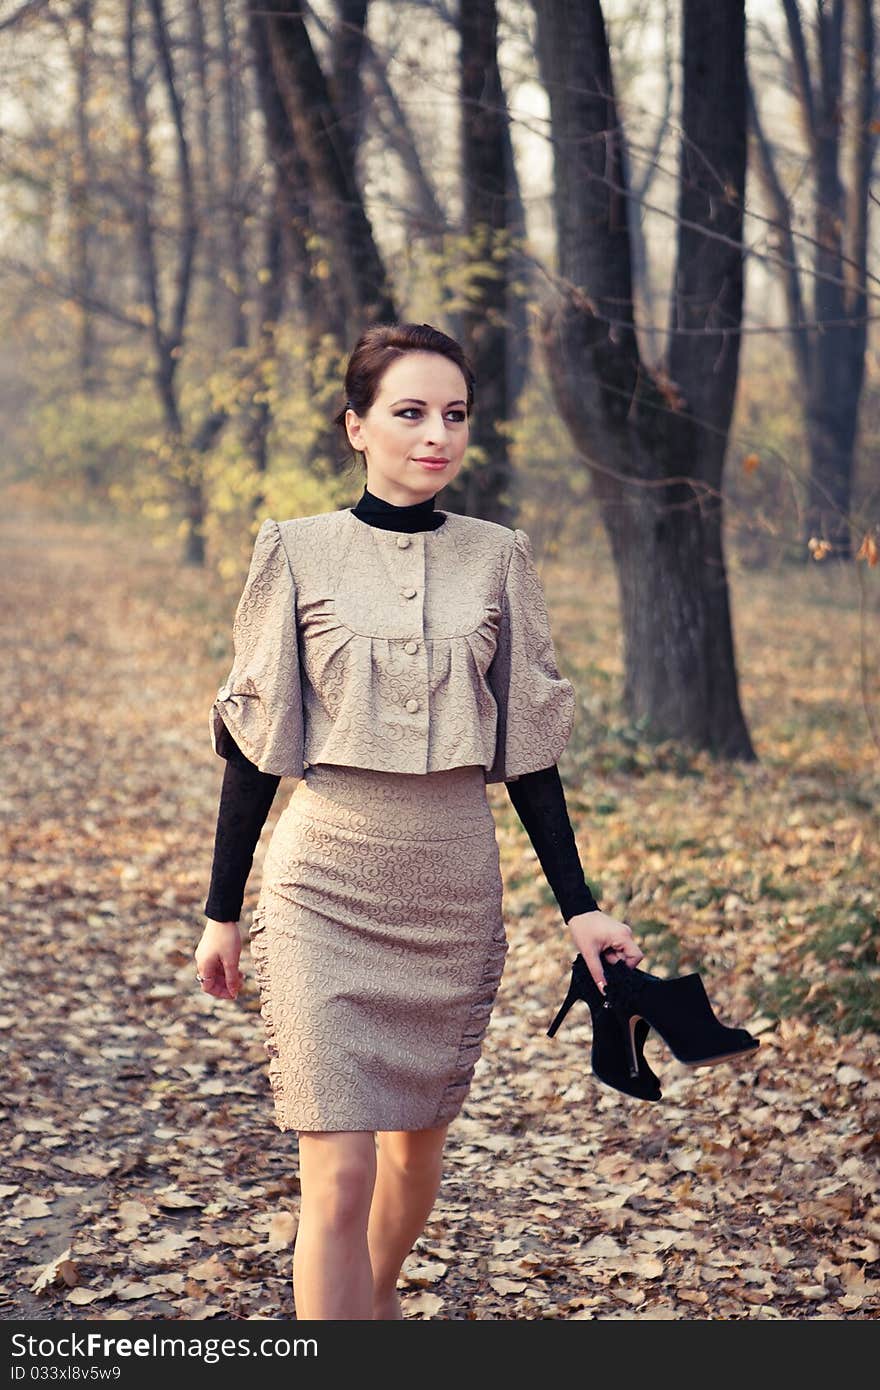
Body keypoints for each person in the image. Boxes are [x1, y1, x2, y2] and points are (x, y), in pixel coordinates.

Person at [194, 322, 645, 1321]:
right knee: (339, 1176)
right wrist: (221, 910)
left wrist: (580, 910)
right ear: (356, 425)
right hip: (322, 887)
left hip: (449, 890)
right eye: (408, 412)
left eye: (453, 414)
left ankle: (378, 1305)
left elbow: (529, 750)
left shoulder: (498, 557)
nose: (435, 433)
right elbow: (252, 741)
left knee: (411, 1163)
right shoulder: (295, 550)